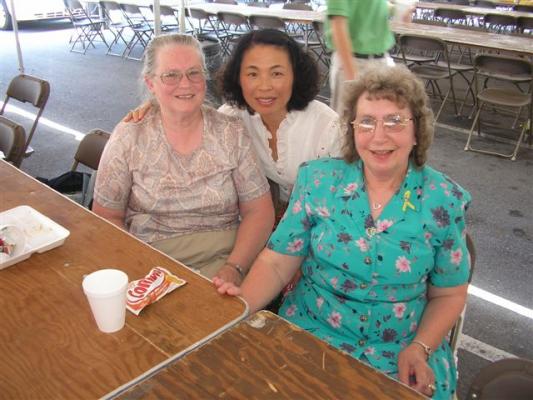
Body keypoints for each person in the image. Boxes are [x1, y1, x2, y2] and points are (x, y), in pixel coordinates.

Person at [215, 65, 472, 400]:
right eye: (366, 122)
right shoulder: (317, 181)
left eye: (394, 121)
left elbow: (449, 295)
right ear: (352, 130)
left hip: (399, 352)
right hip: (310, 334)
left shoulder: (443, 201)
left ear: (416, 131)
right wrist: (240, 309)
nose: (378, 136)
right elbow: (277, 263)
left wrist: (420, 347)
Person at [93, 34, 274, 284]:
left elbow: (259, 211)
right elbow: (106, 215)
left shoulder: (230, 131)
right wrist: (140, 266)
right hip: (151, 260)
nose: (185, 84)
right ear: (151, 83)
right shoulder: (130, 136)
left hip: (224, 257)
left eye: (194, 73)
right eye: (171, 75)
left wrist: (235, 268)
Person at [125, 29, 343, 221]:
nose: (264, 86)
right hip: (277, 216)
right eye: (252, 74)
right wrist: (157, 105)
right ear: (239, 77)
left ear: (295, 76)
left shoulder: (328, 129)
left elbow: (348, 201)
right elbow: (194, 115)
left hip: (329, 219)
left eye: (276, 73)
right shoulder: (236, 116)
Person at [326, 0, 412, 114]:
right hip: (353, 62)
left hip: (381, 61)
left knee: (379, 115)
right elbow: (338, 28)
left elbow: (398, 17)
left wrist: (402, 10)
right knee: (346, 117)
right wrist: (352, 78)